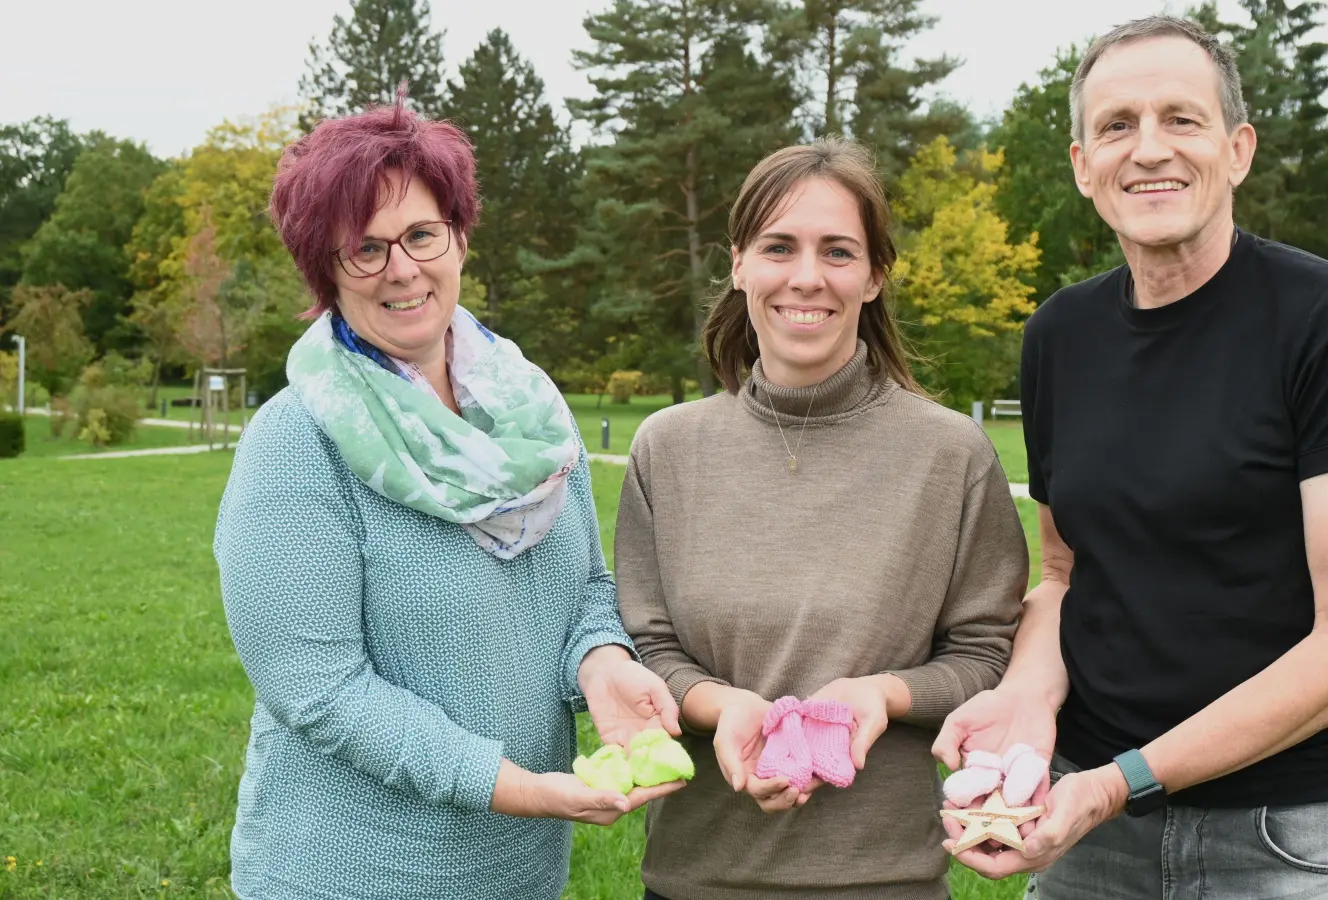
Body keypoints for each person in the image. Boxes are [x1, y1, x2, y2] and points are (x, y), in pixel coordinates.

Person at [933, 15, 1328, 899]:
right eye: (1118, 125)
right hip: (1090, 831)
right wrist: (1026, 698)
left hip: (1291, 836)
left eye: (1181, 119)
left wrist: (1122, 782)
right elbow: (1065, 572)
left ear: (1237, 150)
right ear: (1084, 165)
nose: (1149, 148)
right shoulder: (1060, 335)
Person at [212, 93, 683, 900]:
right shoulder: (298, 441)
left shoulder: (533, 414)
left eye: (421, 234)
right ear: (326, 271)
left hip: (518, 871)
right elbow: (320, 691)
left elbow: (582, 592)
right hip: (350, 874)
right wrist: (512, 786)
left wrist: (602, 663)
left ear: (459, 237)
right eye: (365, 248)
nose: (401, 269)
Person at [614, 137, 1030, 900]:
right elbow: (648, 648)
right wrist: (721, 707)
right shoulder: (666, 449)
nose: (807, 276)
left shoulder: (951, 456)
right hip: (694, 878)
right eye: (779, 247)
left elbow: (986, 655)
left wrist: (885, 695)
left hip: (886, 881)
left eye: (838, 251)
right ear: (739, 265)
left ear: (874, 276)